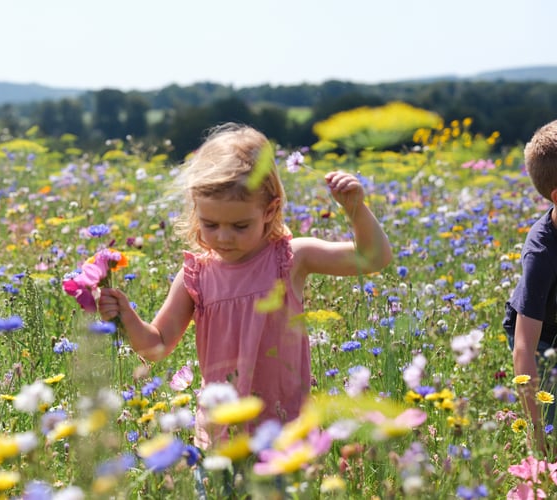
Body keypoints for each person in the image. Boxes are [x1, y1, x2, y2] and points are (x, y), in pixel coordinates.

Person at [98, 123, 392, 448]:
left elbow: (371, 258)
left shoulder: (291, 258)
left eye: (240, 225)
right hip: (219, 436)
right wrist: (126, 315)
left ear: (270, 210)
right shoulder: (195, 275)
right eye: (210, 224)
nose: (224, 236)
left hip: (285, 432)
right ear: (196, 210)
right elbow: (157, 345)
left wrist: (355, 210)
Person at [503, 119, 557, 449]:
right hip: (540, 339)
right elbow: (524, 348)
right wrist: (535, 431)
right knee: (552, 425)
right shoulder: (542, 252)